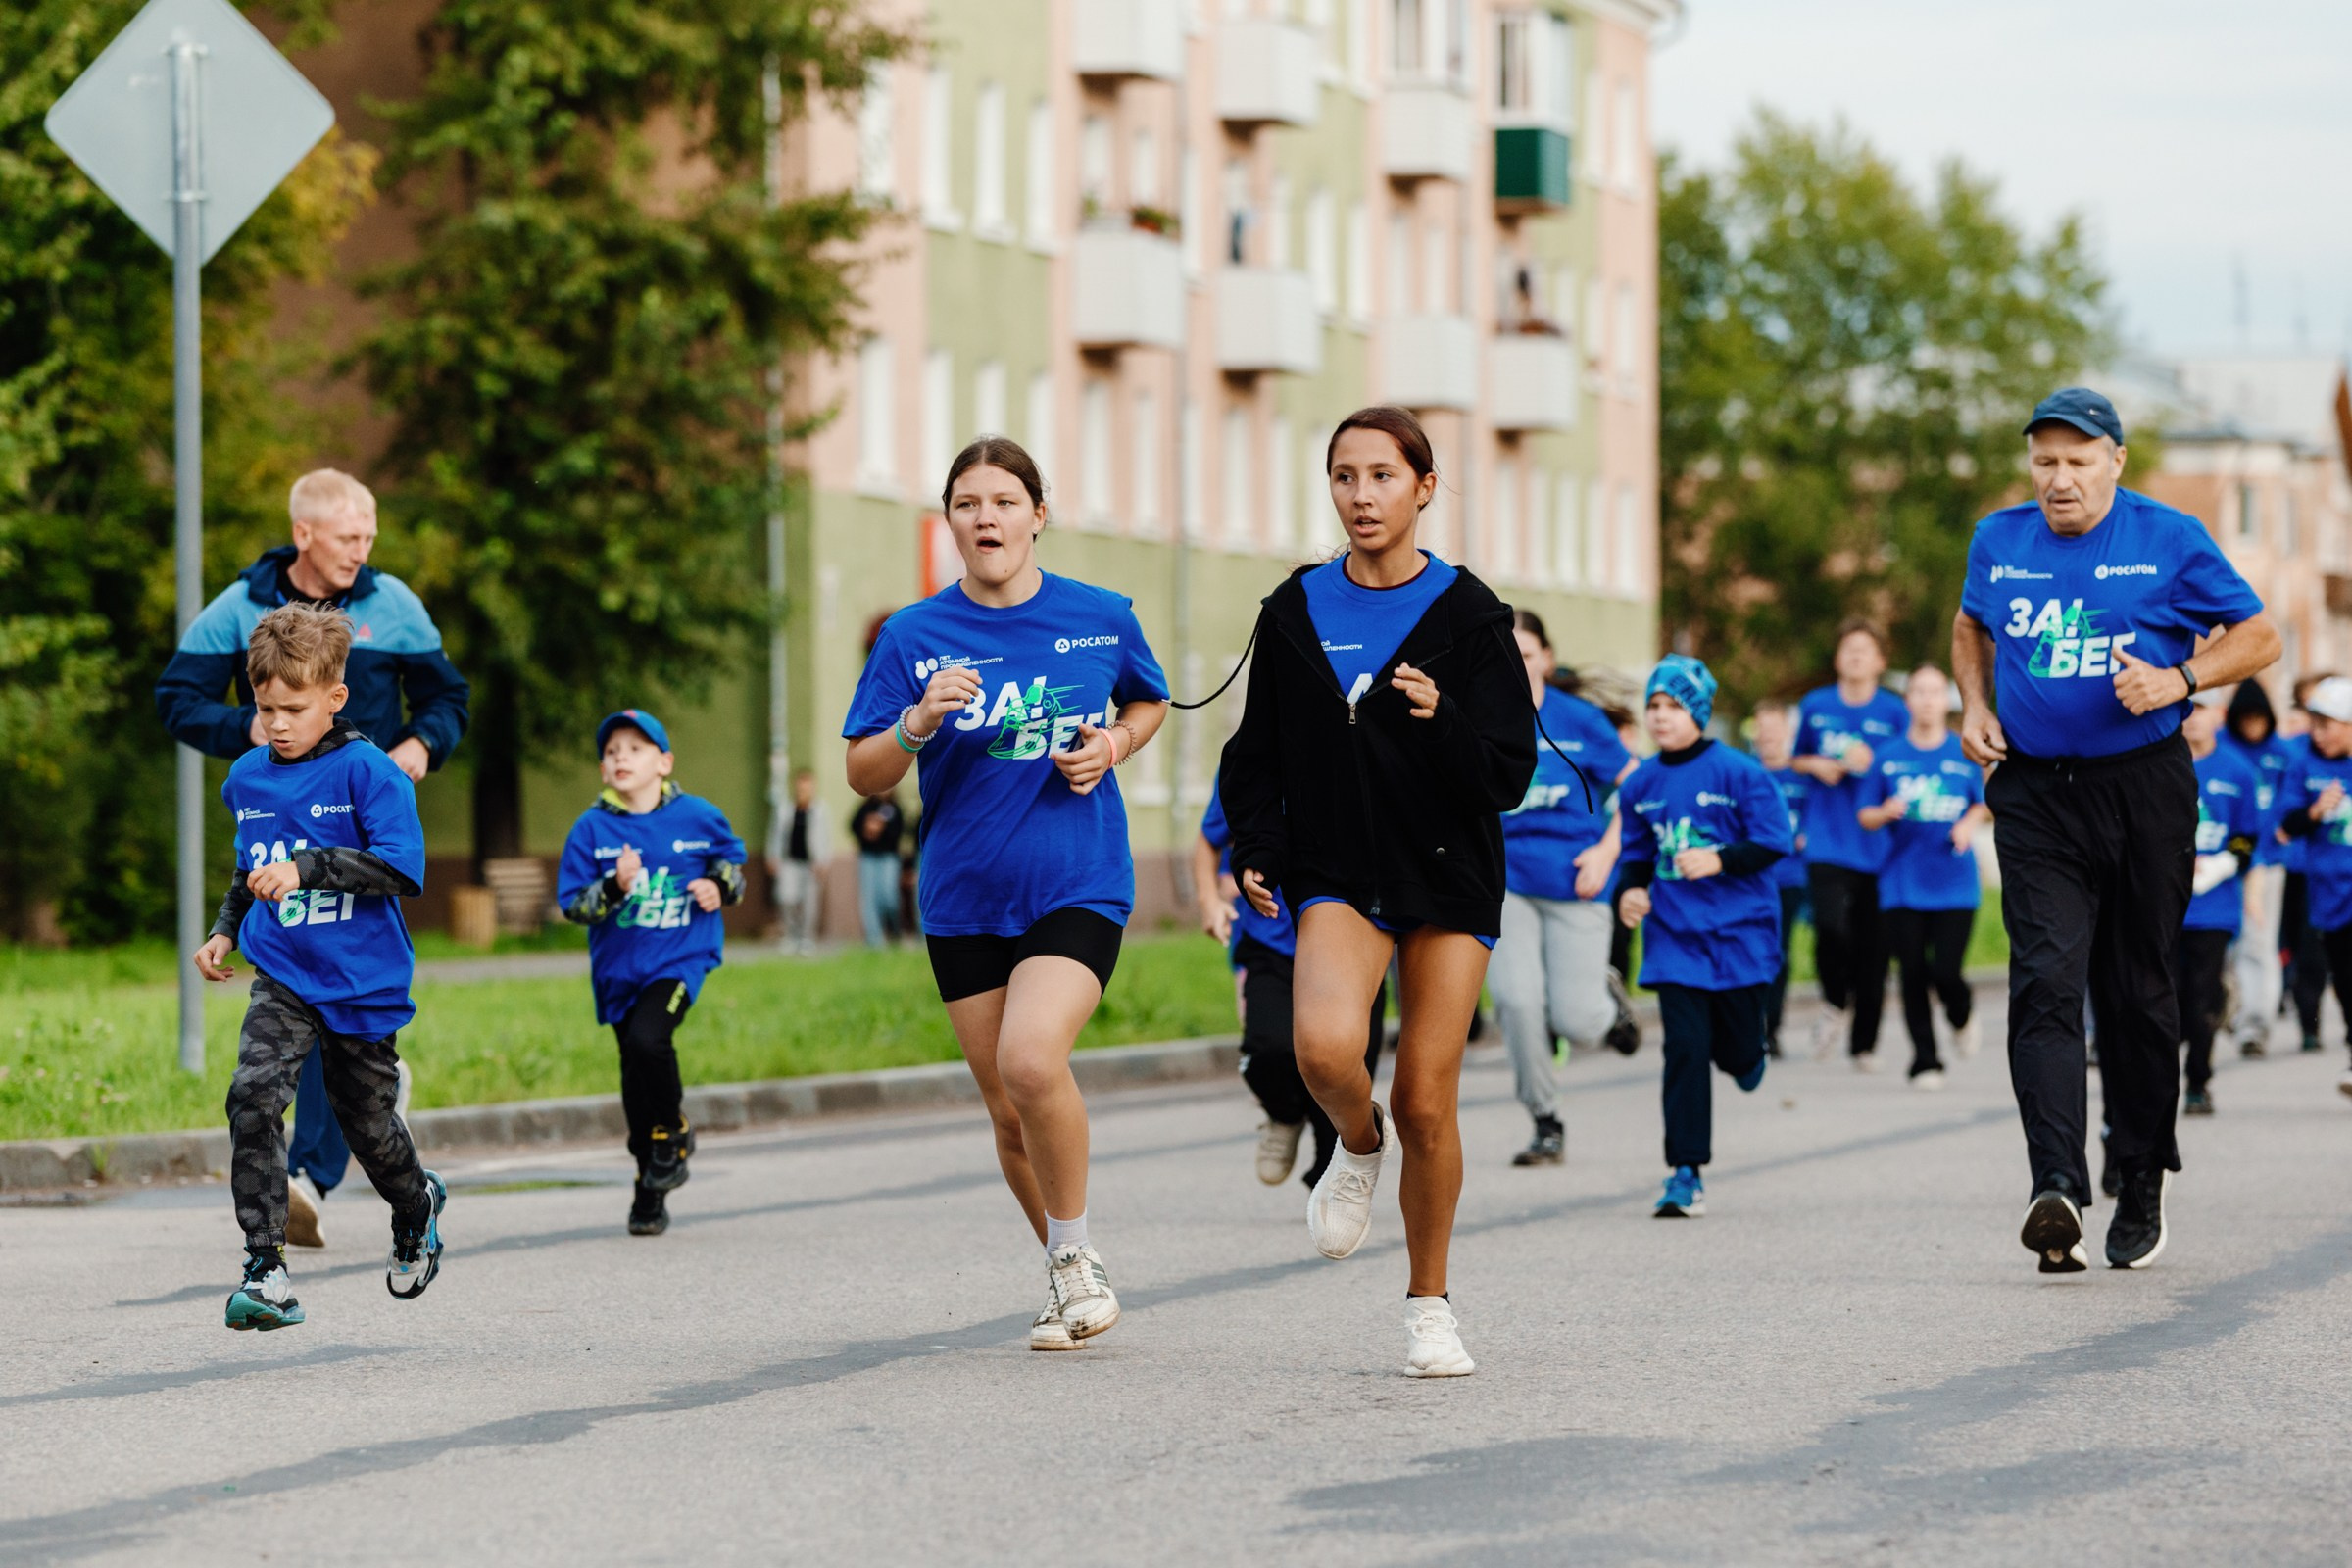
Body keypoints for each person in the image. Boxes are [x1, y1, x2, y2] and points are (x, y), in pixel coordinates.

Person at [1219, 405, 1535, 1378]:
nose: (1362, 495)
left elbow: (1507, 773)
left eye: (1383, 477)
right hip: (1340, 869)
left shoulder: (1474, 618)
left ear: (1424, 489)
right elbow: (1255, 750)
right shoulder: (1293, 609)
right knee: (1322, 1050)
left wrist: (1441, 720)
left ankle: (1429, 1305)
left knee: (1428, 1098)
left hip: (1447, 869)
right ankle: (1356, 1143)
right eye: (1345, 477)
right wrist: (1257, 843)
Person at [841, 436, 1169, 1352]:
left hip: (1077, 880)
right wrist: (916, 721)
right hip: (963, 893)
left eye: (1002, 501)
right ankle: (1073, 1272)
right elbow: (865, 772)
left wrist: (1114, 747)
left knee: (1032, 1061)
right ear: (949, 520)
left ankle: (1071, 1259)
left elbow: (1149, 701)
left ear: (1038, 513)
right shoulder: (913, 637)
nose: (985, 518)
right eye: (966, 503)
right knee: (1003, 1107)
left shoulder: (1101, 617)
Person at [1953, 386, 2278, 1273]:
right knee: (2046, 983)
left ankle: (2139, 1173)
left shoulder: (2167, 538)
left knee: (2136, 995)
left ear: (2115, 462)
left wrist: (2180, 680)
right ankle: (2053, 1185)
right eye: (2045, 461)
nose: (2059, 480)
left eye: (2077, 462)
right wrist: (1974, 701)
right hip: (2034, 794)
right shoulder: (2000, 538)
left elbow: (2260, 637)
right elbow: (1971, 624)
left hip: (2144, 787)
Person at [156, 469, 469, 1250]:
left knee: (341, 1008)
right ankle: (298, 1193)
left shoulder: (393, 604)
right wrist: (250, 729)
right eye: (348, 538)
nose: (363, 552)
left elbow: (447, 699)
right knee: (286, 1019)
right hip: (277, 826)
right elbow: (176, 698)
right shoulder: (239, 608)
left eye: (370, 537)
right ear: (305, 535)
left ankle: (322, 1171)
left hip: (366, 820)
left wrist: (420, 746)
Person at [190, 605, 445, 1330]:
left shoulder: (369, 772)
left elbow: (403, 869)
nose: (276, 722)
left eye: (293, 708)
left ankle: (416, 1203)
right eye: (265, 706)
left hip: (361, 981)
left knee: (366, 1126)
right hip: (285, 974)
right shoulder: (247, 778)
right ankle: (265, 1269)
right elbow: (250, 868)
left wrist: (308, 868)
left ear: (334, 698)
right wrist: (225, 930)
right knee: (252, 1095)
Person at [1614, 655, 1793, 1217]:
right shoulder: (1640, 783)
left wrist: (1718, 859)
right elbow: (1637, 854)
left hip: (1740, 936)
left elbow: (1774, 841)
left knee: (1738, 1056)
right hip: (1676, 941)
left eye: (1672, 706)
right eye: (1654, 706)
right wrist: (1631, 891)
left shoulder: (1740, 773)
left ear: (1698, 710)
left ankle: (1749, 1054)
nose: (1660, 717)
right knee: (1685, 1050)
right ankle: (1684, 1173)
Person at [557, 709, 747, 1236]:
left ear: (664, 762)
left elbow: (731, 865)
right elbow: (574, 906)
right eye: (613, 751)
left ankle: (673, 1132)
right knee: (634, 1078)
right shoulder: (591, 830)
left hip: (680, 960)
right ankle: (649, 1186)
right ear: (602, 769)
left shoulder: (698, 816)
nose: (622, 758)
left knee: (649, 1041)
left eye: (636, 749)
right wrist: (615, 887)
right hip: (620, 972)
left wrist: (720, 887)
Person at [1490, 611, 1636, 1165]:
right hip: (1507, 885)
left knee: (1577, 1020)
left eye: (1526, 654)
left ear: (1547, 659)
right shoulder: (1480, 718)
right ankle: (1545, 1119)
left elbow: (1640, 789)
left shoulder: (1581, 721)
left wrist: (1607, 850)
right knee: (1516, 1000)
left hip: (1577, 880)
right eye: (1506, 655)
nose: (1516, 666)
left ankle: (1608, 1002)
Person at [1194, 776, 1386, 1191]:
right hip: (1270, 943)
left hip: (1356, 945)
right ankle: (1284, 1113)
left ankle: (1329, 1176)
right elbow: (1209, 839)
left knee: (1342, 1071)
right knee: (1268, 1049)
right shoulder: (1254, 756)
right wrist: (1209, 900)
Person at [1854, 665, 1989, 1089]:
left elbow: (1985, 803)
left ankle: (1961, 1014)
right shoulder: (1889, 755)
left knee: (1946, 971)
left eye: (1935, 692)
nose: (1927, 699)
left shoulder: (1962, 751)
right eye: (1919, 691)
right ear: (1908, 700)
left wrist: (1969, 823)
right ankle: (1926, 1060)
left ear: (1945, 700)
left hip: (1953, 882)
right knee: (1912, 972)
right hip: (1901, 882)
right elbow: (1865, 814)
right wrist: (1885, 811)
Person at [1790, 620, 1909, 1068]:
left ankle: (1864, 1045)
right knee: (1830, 927)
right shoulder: (1815, 705)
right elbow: (1795, 757)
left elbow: (1906, 762)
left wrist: (1872, 765)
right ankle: (1834, 1001)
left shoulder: (1894, 712)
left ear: (1880, 661)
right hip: (1827, 838)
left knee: (1874, 951)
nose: (1856, 656)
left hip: (1879, 847)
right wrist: (1819, 764)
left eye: (1865, 649)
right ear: (1838, 658)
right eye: (1848, 648)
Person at [2175, 691, 2262, 1116]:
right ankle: (2155, 1084)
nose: (2193, 718)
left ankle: (2198, 1081)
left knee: (2201, 996)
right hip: (2163, 906)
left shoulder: (2237, 770)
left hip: (2213, 907)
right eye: (2186, 709)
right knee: (2165, 997)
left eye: (2202, 709)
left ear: (2219, 715)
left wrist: (2219, 866)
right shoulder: (2160, 765)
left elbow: (2248, 838)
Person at [2270, 676, 2352, 1101]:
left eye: (2328, 724)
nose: (2317, 733)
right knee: (2344, 978)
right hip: (2327, 890)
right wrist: (2316, 812)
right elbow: (2284, 827)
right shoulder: (2305, 765)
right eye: (2314, 724)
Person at [2220, 680, 2287, 1057]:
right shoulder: (2224, 749)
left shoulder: (2282, 753)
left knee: (2258, 942)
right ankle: (2224, 1005)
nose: (2252, 726)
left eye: (2258, 719)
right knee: (2217, 945)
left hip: (2266, 861)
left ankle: (2255, 1023)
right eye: (2245, 719)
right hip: (2223, 861)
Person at [2277, 674, 2336, 1056]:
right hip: (2306, 872)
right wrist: (2314, 811)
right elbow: (2284, 824)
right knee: (2308, 951)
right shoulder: (2298, 757)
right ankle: (2308, 1021)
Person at [1752, 699, 1810, 1056]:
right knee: (1749, 952)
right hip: (1750, 880)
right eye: (1764, 729)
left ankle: (1771, 1029)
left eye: (1777, 729)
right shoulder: (1746, 775)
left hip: (1788, 878)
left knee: (1779, 952)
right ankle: (1747, 1025)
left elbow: (1816, 821)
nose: (1770, 737)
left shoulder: (1801, 778)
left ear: (1788, 732)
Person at [850, 791, 906, 946]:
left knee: (888, 895)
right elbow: (853, 826)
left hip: (888, 857)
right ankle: (874, 940)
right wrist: (867, 829)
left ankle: (894, 929)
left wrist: (882, 827)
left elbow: (900, 831)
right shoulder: (866, 807)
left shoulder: (895, 808)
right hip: (868, 857)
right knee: (869, 899)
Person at [777, 768, 821, 955]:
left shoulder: (819, 810)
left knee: (809, 902)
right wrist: (774, 856)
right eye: (800, 788)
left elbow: (824, 838)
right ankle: (791, 935)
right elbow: (777, 834)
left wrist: (822, 861)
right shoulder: (786, 809)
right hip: (790, 861)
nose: (803, 792)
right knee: (787, 898)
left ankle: (806, 938)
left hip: (810, 863)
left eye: (807, 788)